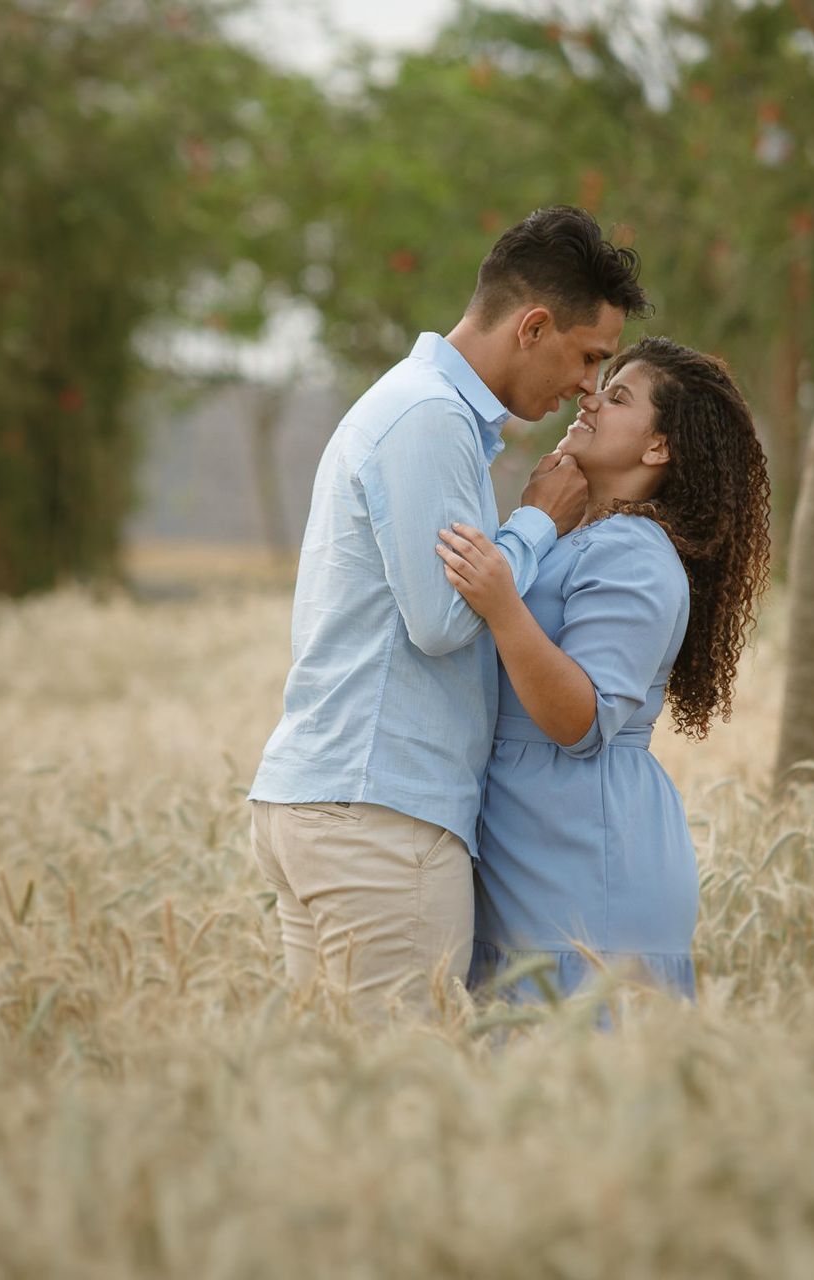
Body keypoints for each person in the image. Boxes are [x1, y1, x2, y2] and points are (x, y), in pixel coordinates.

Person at [249, 206, 649, 1022]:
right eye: (589, 358)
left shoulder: (422, 409)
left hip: (336, 804)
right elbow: (442, 620)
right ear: (534, 326)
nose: (588, 388)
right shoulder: (429, 415)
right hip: (380, 820)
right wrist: (538, 518)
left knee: (333, 1105)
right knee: (408, 1103)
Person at [434, 337, 771, 1007]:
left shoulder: (634, 553)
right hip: (542, 848)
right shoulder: (586, 537)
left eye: (618, 397)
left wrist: (502, 603)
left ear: (658, 449)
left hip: (586, 869)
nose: (590, 397)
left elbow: (579, 718)